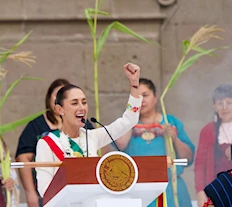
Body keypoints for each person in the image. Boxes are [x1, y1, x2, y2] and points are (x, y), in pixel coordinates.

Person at [35, 62, 142, 197]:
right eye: (74, 103)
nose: (81, 107)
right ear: (60, 109)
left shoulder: (93, 136)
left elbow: (129, 121)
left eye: (84, 102)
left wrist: (134, 84)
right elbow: (45, 190)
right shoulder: (46, 144)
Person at [107, 78, 195, 207]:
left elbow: (188, 158)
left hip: (171, 189)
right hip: (139, 190)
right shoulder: (126, 123)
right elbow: (121, 144)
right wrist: (131, 117)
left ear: (155, 97)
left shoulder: (171, 122)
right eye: (137, 97)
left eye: (145, 95)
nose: (141, 100)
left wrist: (174, 138)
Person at [15, 78, 94, 207]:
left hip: (82, 193)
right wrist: (30, 192)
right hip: (50, 192)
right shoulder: (36, 125)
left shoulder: (84, 124)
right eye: (57, 95)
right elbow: (23, 158)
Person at [195, 84, 232, 207]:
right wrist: (201, 193)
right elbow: (200, 164)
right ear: (214, 106)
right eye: (220, 103)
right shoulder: (207, 130)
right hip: (216, 191)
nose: (225, 108)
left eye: (229, 103)